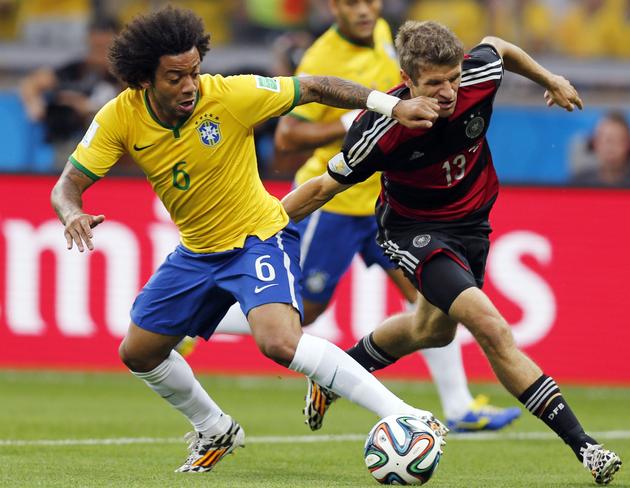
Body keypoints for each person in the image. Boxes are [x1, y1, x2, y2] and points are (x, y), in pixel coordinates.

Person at [49, 7, 446, 474]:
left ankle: (405, 414)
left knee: (279, 342)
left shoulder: (232, 94)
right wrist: (72, 211)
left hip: (259, 236)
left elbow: (315, 87)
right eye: (175, 77)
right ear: (143, 79)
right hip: (196, 252)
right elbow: (66, 185)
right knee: (138, 352)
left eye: (194, 72)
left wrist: (392, 105)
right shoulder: (119, 117)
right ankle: (214, 427)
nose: (190, 85)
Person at [282, 20, 622, 484]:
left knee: (431, 331)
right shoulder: (379, 128)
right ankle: (587, 447)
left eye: (453, 78)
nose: (447, 92)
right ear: (407, 81)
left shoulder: (477, 74)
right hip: (413, 231)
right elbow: (323, 187)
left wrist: (551, 80)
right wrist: (264, 225)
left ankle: (336, 372)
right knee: (490, 325)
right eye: (434, 84)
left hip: (472, 226)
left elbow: (500, 46)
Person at [274, 0, 520, 432]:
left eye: (372, 0)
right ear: (334, 7)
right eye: (353, 3)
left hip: (394, 204)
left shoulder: (390, 38)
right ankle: (201, 319)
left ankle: (459, 406)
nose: (366, 10)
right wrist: (353, 119)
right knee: (303, 312)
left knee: (432, 301)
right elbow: (287, 136)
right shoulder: (322, 57)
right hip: (337, 204)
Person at [19, 17, 122, 167]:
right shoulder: (75, 69)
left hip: (109, 146)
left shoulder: (123, 76)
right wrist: (35, 105)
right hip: (70, 141)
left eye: (104, 47)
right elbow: (31, 83)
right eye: (95, 47)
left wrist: (87, 107)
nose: (98, 54)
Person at [572, 110, 630, 187]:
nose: (610, 147)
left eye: (617, 140)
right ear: (594, 143)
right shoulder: (578, 184)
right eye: (604, 140)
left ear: (629, 144)